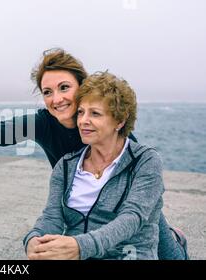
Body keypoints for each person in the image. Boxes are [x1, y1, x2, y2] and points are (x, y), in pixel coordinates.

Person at [0, 48, 188, 259]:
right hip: (82, 201)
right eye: (47, 92)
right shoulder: (43, 123)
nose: (57, 99)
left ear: (83, 87)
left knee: (163, 246)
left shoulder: (116, 133)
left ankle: (177, 239)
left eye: (64, 87)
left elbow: (136, 206)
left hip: (124, 205)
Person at [25, 71, 166, 259]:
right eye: (81, 112)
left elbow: (132, 218)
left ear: (119, 120)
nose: (83, 121)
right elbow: (52, 217)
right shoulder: (66, 165)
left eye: (95, 114)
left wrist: (81, 246)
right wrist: (34, 239)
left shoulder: (145, 161)